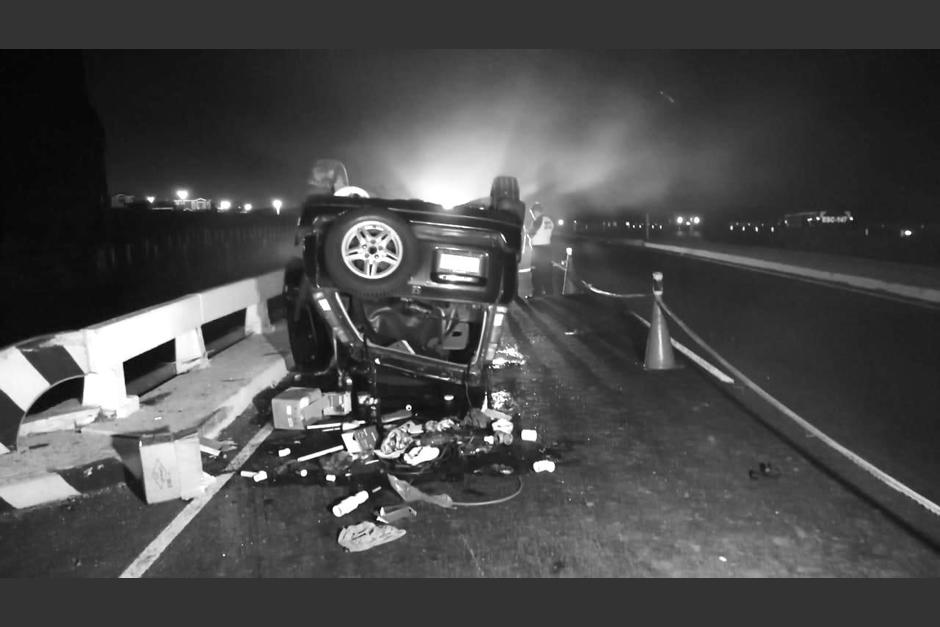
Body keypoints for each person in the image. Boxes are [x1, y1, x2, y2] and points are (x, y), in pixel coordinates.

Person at [526, 202, 555, 297]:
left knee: (536, 272)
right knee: (547, 273)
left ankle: (537, 293)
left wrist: (527, 231)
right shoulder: (549, 220)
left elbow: (531, 234)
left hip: (538, 250)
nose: (532, 215)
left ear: (536, 211)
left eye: (532, 213)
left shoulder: (538, 220)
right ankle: (549, 293)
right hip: (547, 249)